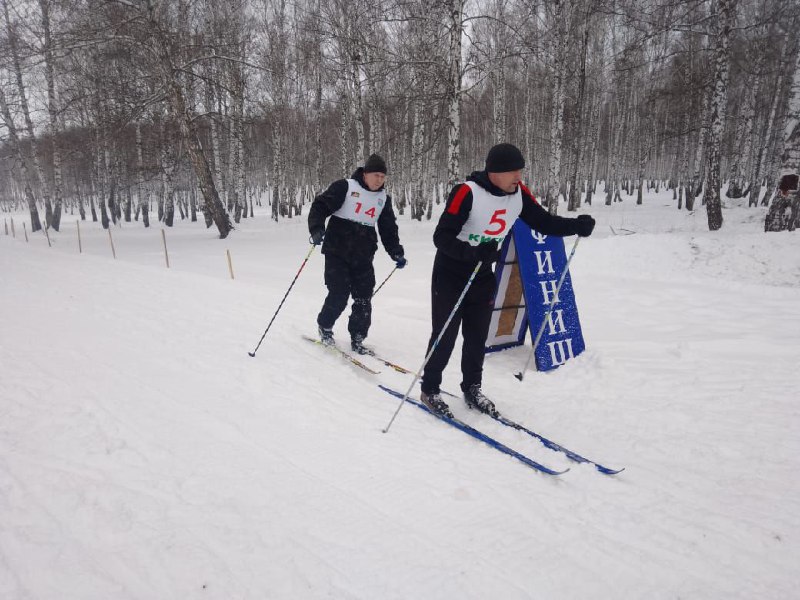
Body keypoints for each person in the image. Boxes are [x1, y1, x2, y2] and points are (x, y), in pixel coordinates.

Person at [419, 143, 596, 418]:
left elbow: (543, 222)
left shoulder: (518, 194)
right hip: (452, 272)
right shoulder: (467, 192)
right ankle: (430, 388)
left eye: (520, 170)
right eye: (513, 171)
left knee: (477, 335)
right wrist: (473, 252)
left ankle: (472, 387)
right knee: (445, 333)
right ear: (494, 172)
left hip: (482, 274)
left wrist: (575, 225)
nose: (519, 176)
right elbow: (441, 237)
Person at [308, 154, 406, 355]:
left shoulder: (382, 199)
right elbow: (320, 206)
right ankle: (325, 326)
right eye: (376, 175)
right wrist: (316, 228)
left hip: (363, 254)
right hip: (337, 251)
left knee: (363, 298)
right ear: (365, 173)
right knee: (339, 293)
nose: (380, 180)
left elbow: (388, 228)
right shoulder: (345, 187)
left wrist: (396, 252)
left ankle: (358, 337)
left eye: (383, 176)